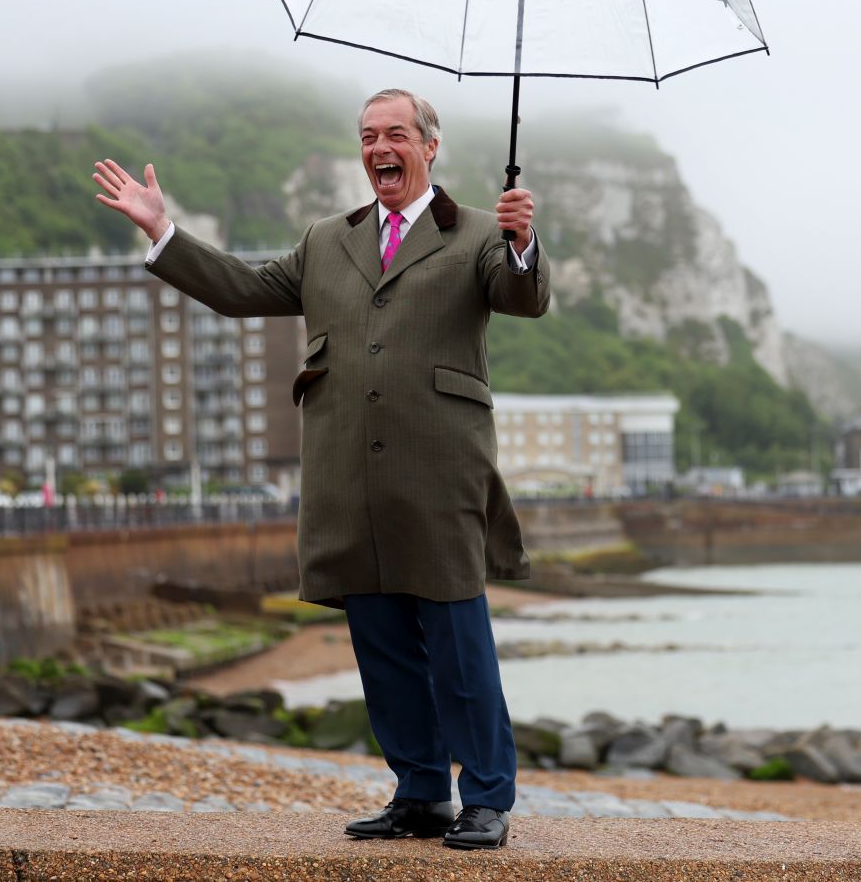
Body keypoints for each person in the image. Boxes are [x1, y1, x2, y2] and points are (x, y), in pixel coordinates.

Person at [92, 88, 549, 850]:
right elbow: (243, 291)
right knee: (382, 645)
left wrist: (522, 242)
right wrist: (163, 231)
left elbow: (520, 296)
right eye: (368, 136)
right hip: (346, 477)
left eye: (395, 135)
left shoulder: (476, 233)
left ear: (429, 147)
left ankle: (489, 799)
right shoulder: (327, 240)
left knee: (459, 645)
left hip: (441, 476)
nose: (379, 149)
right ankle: (421, 794)